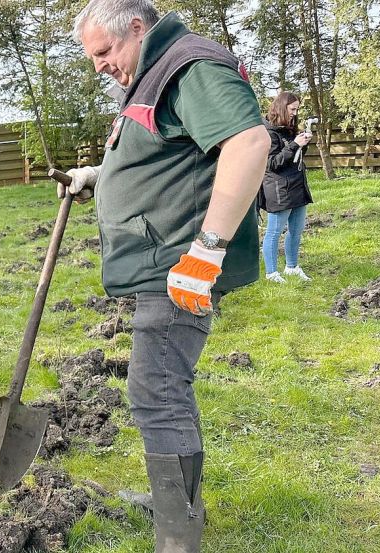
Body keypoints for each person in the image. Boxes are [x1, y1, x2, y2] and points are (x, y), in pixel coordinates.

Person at [60, 1, 270, 551]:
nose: (99, 66)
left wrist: (205, 253)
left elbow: (248, 144)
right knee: (165, 387)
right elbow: (167, 156)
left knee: (155, 390)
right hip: (161, 262)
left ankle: (177, 534)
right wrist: (98, 175)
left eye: (103, 52)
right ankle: (177, 502)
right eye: (92, 57)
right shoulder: (153, 74)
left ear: (136, 27)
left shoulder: (188, 65)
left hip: (177, 267)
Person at [258, 91, 314, 283]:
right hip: (279, 188)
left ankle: (292, 267)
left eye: (297, 109)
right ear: (282, 107)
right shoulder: (267, 132)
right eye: (292, 109)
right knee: (274, 232)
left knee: (296, 231)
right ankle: (271, 273)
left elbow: (294, 156)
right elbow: (272, 163)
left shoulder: (289, 128)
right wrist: (293, 145)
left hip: (297, 185)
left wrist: (302, 143)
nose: (295, 113)